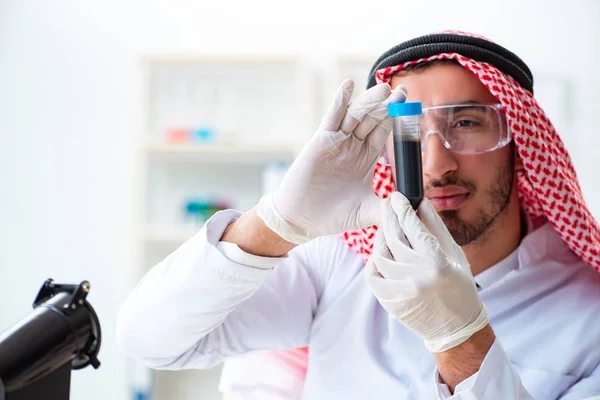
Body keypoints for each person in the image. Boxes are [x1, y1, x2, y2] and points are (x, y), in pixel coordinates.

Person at [116, 31, 600, 399]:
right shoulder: (336, 263)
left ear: (521, 142)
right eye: (406, 130)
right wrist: (275, 222)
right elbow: (149, 339)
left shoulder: (589, 314)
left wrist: (463, 341)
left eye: (467, 123)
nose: (436, 164)